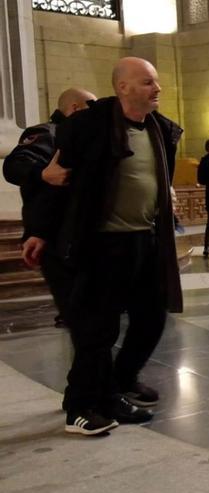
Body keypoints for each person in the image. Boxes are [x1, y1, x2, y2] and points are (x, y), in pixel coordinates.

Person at [52, 57, 184, 435]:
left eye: (155, 83)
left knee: (152, 316)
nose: (156, 89)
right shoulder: (87, 127)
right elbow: (51, 181)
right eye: (147, 82)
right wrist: (40, 231)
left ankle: (115, 386)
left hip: (145, 239)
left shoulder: (160, 130)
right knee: (98, 330)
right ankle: (78, 408)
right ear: (122, 87)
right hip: (102, 244)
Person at [2, 87, 96, 328]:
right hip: (54, 236)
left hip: (80, 234)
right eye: (91, 107)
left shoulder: (85, 137)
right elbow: (14, 166)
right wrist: (42, 173)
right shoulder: (47, 133)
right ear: (75, 108)